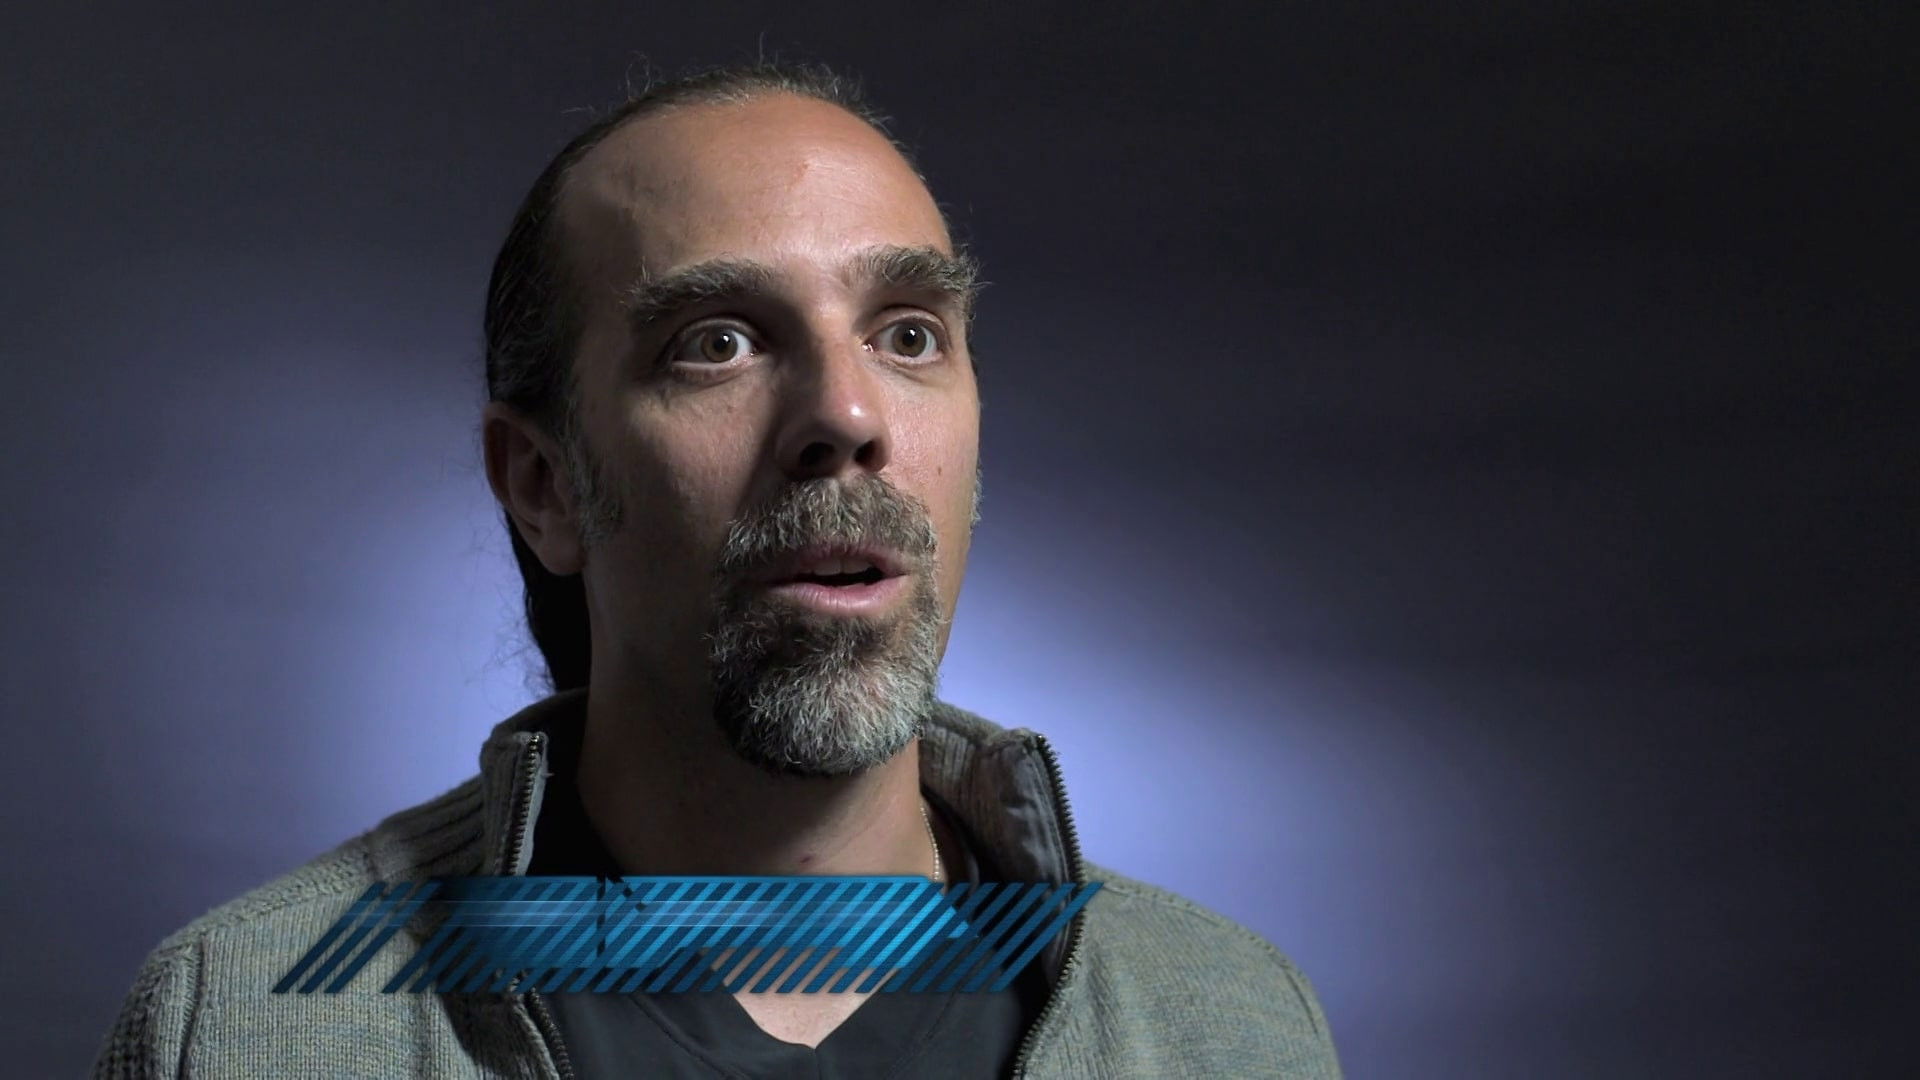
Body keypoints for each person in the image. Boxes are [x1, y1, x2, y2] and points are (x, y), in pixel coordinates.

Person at [93, 62, 1343, 1078]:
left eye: (909, 334)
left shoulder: (1230, 1024)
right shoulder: (251, 1022)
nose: (846, 414)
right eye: (720, 342)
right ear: (544, 486)